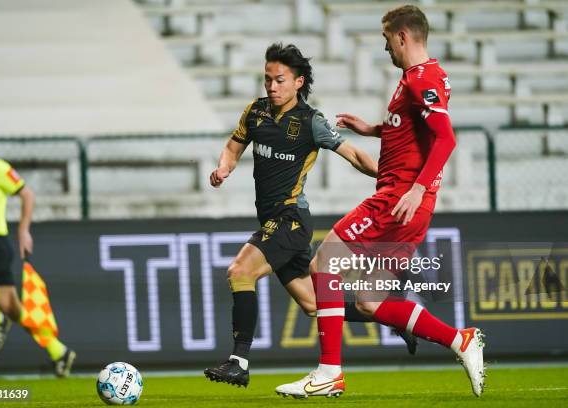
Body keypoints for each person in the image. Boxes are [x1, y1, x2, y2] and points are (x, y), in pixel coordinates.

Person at [275, 5, 485, 398]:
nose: (385, 48)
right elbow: (411, 131)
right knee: (370, 302)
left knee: (324, 263)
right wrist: (371, 130)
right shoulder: (418, 78)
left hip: (397, 199)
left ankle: (328, 372)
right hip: (411, 208)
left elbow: (445, 138)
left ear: (403, 37)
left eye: (387, 40)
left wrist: (417, 188)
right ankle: (461, 339)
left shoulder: (422, 78)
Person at [203, 43, 419, 388]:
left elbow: (354, 155)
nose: (272, 87)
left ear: (298, 82)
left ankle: (239, 361)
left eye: (280, 80)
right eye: (267, 80)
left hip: (291, 221)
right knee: (313, 304)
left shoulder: (310, 121)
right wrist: (223, 168)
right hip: (271, 221)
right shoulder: (254, 112)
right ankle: (391, 314)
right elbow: (233, 145)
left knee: (240, 271)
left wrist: (392, 181)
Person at [0, 116, 76, 377]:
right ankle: (60, 352)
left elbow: (27, 194)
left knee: (0, 311)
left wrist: (23, 230)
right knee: (15, 309)